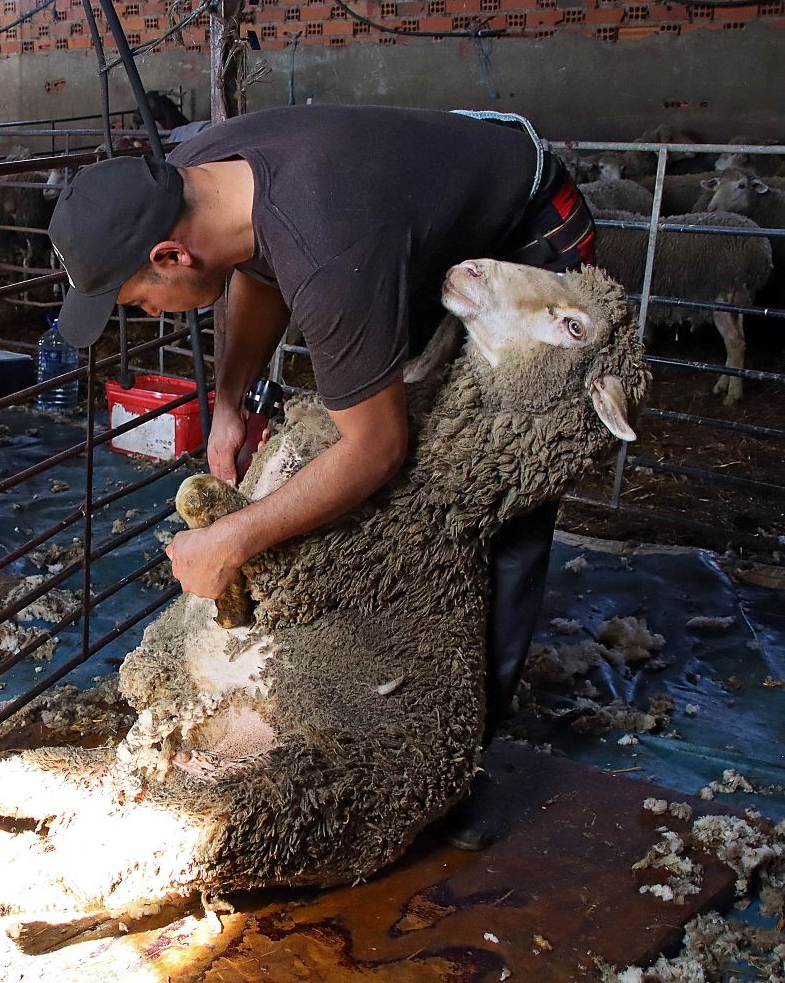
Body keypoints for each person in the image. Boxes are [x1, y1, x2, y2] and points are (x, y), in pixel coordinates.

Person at [47, 105, 595, 844]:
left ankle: (452, 756)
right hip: (386, 219)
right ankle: (383, 668)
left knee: (494, 482)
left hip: (528, 228)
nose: (145, 315)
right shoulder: (208, 180)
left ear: (172, 255)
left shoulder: (328, 245)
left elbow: (376, 449)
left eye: (136, 301)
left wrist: (232, 541)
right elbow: (262, 265)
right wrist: (230, 400)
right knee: (399, 427)